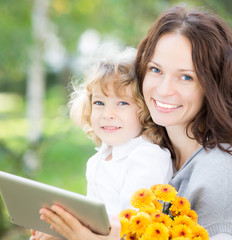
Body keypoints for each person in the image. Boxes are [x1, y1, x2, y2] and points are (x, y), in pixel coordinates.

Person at [31, 4, 232, 240]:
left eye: (186, 76)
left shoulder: (219, 172)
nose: (164, 89)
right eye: (155, 70)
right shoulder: (143, 145)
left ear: (212, 84)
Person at [30, 47, 173, 239]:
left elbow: (131, 229)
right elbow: (96, 223)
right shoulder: (100, 158)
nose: (107, 114)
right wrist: (61, 231)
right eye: (99, 103)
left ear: (145, 109)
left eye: (122, 103)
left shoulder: (147, 157)